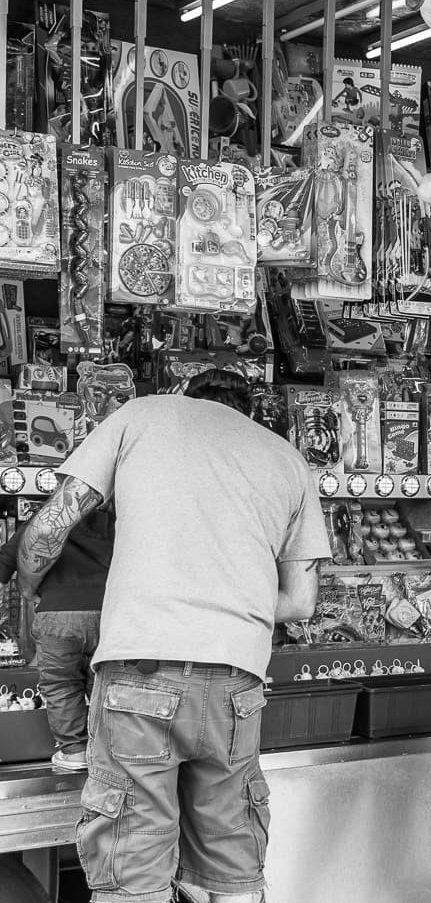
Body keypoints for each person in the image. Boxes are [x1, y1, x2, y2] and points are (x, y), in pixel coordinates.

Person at [17, 369, 331, 903]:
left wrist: (29, 589)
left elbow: (49, 528)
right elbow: (301, 603)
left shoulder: (141, 415)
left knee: (132, 874)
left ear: (186, 398)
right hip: (236, 685)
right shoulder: (285, 457)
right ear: (247, 412)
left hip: (141, 675)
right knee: (232, 874)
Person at [0, 507, 114, 771]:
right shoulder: (117, 521)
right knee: (105, 682)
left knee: (61, 684)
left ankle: (74, 752)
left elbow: (4, 564)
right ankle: (108, 750)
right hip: (110, 612)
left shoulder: (47, 519)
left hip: (57, 612)